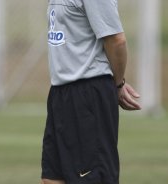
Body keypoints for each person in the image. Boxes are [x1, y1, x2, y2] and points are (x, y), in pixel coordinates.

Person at [41, 0, 141, 184]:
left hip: (88, 95)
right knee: (52, 178)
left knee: (92, 178)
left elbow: (116, 40)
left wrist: (118, 85)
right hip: (60, 93)